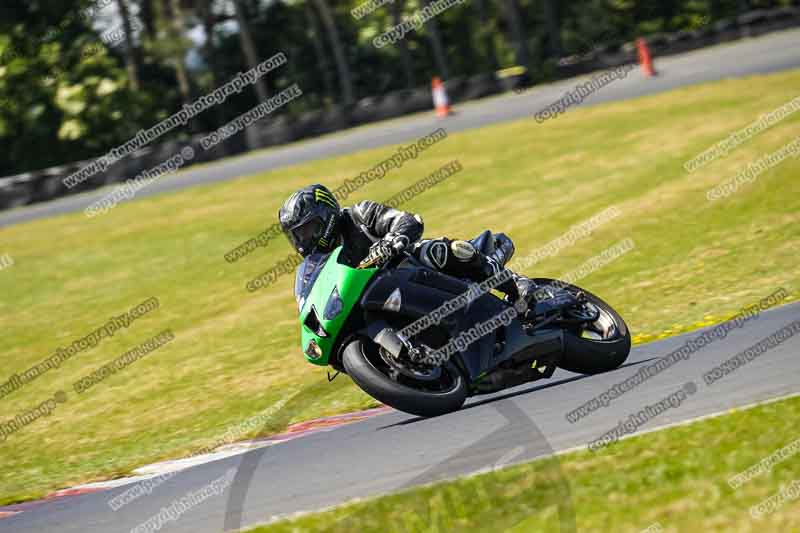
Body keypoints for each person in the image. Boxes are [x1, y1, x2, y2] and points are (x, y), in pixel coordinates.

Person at [278, 184, 535, 308]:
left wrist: (393, 240)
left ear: (326, 215)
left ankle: (515, 284)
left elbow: (408, 220)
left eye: (307, 230)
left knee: (442, 251)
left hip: (408, 269)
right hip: (379, 299)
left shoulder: (359, 215)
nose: (303, 241)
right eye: (296, 236)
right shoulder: (317, 265)